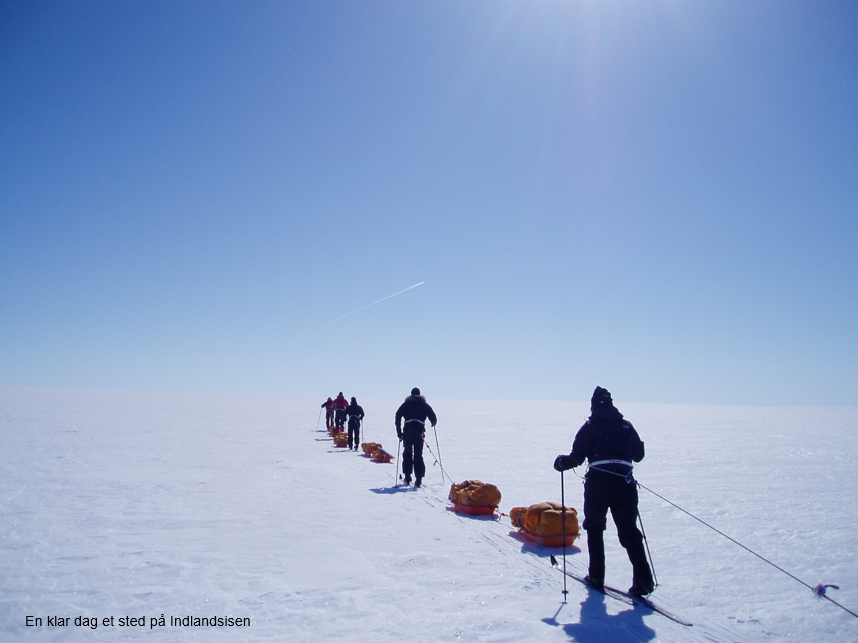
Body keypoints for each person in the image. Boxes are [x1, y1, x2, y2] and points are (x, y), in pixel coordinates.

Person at [553, 386, 654, 598]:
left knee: (595, 527)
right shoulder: (626, 426)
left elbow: (577, 458)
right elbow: (639, 455)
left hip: (598, 482)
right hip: (624, 482)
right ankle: (643, 581)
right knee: (629, 531)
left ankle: (597, 577)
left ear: (593, 405)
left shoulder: (589, 427)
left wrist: (562, 462)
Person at [394, 387, 437, 487]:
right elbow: (433, 417)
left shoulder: (406, 404)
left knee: (408, 453)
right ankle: (419, 478)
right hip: (419, 432)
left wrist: (399, 432)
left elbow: (398, 416)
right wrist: (433, 423)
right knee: (418, 454)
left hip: (408, 432)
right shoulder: (424, 404)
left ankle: (408, 476)